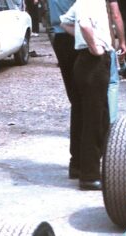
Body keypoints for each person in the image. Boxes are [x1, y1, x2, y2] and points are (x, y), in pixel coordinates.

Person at [60, 0, 115, 190]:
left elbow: (65, 22)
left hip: (86, 61)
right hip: (93, 62)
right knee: (95, 120)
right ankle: (89, 175)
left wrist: (82, 40)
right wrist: (94, 45)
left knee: (87, 116)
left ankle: (78, 166)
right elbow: (83, 24)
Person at [49, 0, 82, 180]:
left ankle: (77, 161)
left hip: (61, 36)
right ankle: (81, 161)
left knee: (77, 102)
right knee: (84, 102)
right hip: (75, 34)